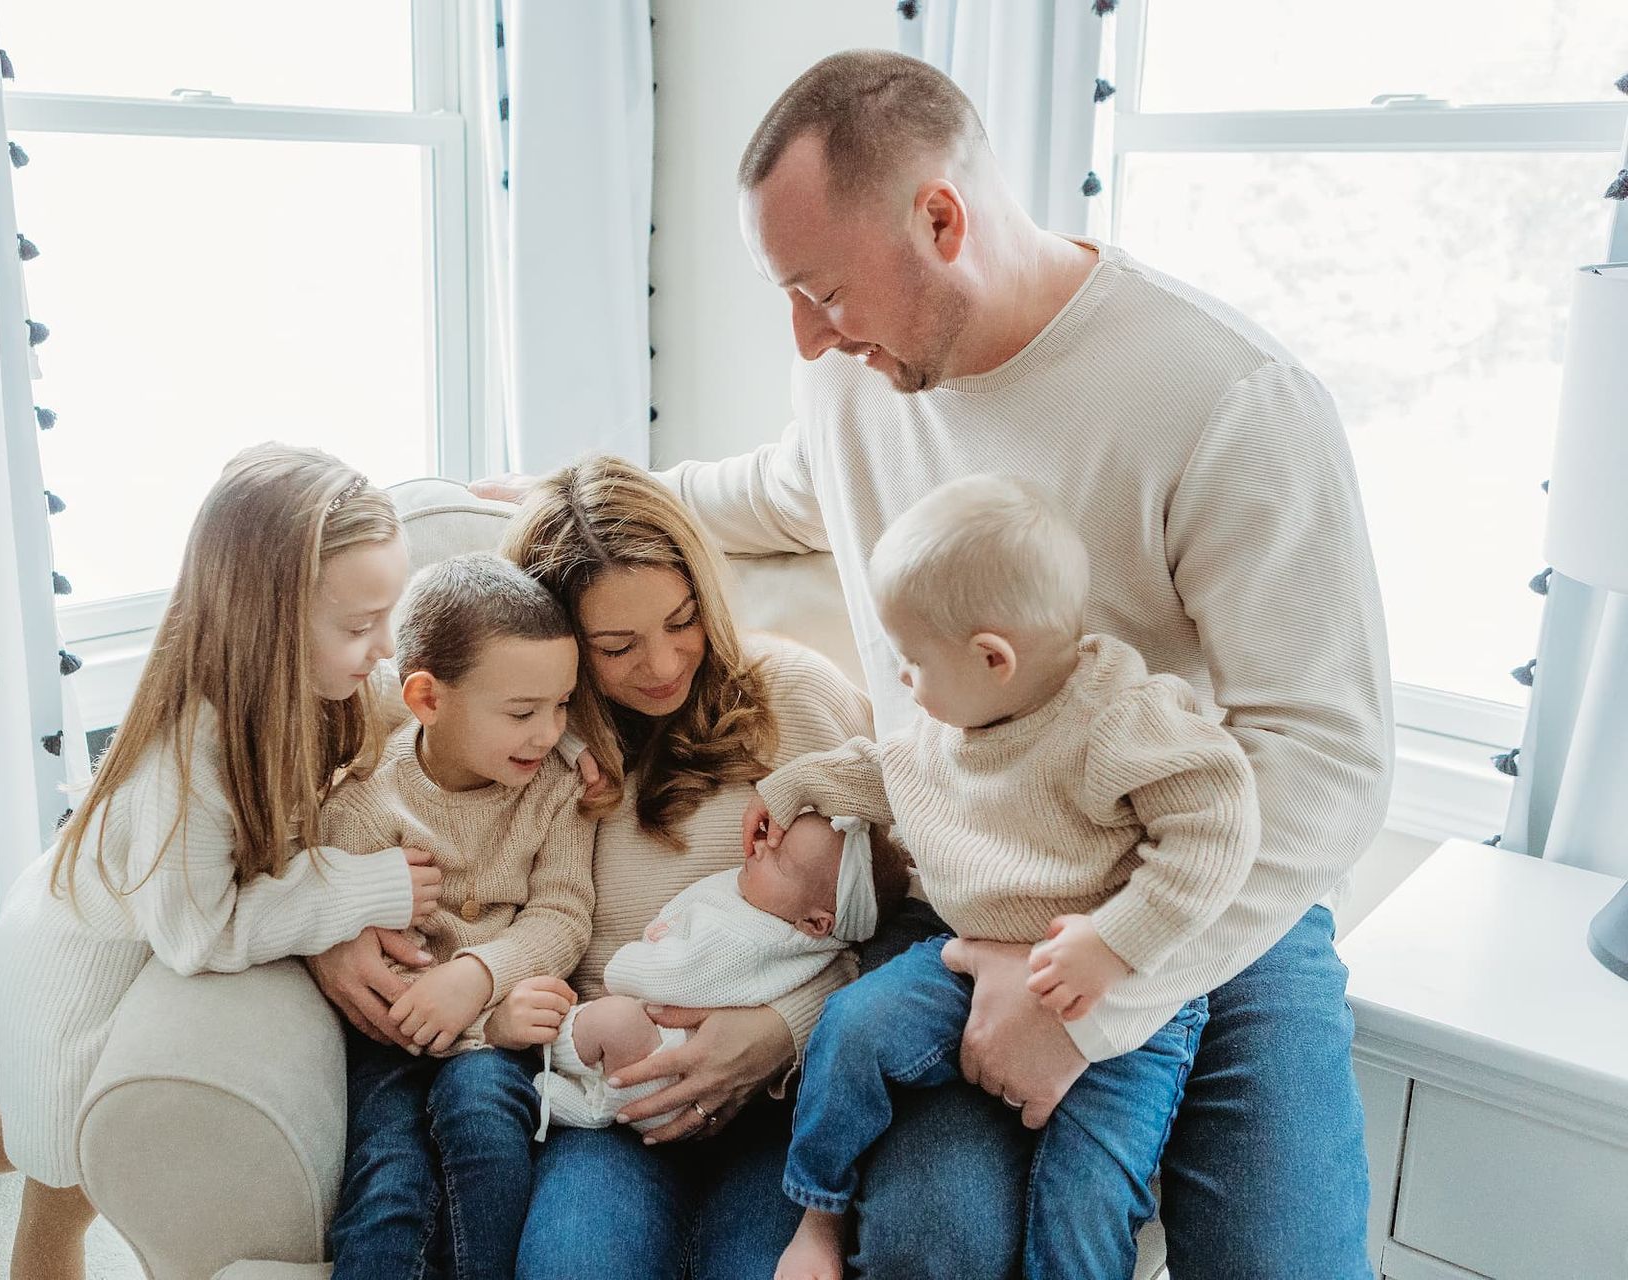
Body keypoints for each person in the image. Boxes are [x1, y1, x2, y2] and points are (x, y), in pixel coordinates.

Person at [477, 49, 1392, 1278]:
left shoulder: (1227, 400)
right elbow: (764, 491)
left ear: (942, 219)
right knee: (935, 1235)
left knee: (1286, 1262)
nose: (803, 334)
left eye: (820, 289)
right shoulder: (855, 385)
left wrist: (1098, 992)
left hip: (1208, 879)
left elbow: (1327, 759)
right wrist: (559, 497)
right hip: (971, 891)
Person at [307, 453, 871, 1279]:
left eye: (683, 620)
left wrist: (777, 1031)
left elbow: (892, 918)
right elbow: (295, 772)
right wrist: (328, 926)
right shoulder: (528, 734)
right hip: (603, 1101)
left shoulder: (794, 694)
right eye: (617, 645)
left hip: (774, 1099)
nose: (666, 664)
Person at [749, 474, 1258, 1280]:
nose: (904, 683)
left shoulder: (1121, 718)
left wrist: (1116, 942)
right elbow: (889, 772)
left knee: (1087, 1199)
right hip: (969, 958)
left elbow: (1220, 827)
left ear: (993, 658)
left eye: (912, 662)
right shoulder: (952, 724)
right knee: (850, 1029)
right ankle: (817, 1219)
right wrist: (794, 787)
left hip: (1125, 998)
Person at [0, 444, 442, 1280]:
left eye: (390, 615)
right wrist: (360, 889)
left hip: (104, 930)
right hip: (71, 971)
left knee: (33, 1135)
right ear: (268, 618)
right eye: (358, 625)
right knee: (60, 1193)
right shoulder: (187, 760)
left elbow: (423, 723)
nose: (384, 647)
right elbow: (200, 932)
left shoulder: (314, 683)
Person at [318, 552, 597, 1280]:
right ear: (427, 699)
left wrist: (479, 979)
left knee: (481, 1117)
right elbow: (370, 966)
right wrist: (470, 1018)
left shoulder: (557, 789)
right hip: (392, 1041)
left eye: (562, 705)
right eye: (522, 712)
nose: (548, 732)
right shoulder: (364, 803)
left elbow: (563, 916)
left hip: (500, 1031)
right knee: (388, 1183)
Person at [535, 812, 901, 1134]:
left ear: (816, 922)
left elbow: (675, 975)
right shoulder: (780, 909)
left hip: (672, 1078)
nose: (759, 846)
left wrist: (623, 966)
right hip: (660, 1052)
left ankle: (593, 1104)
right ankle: (578, 1081)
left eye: (780, 860)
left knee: (610, 1021)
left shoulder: (749, 939)